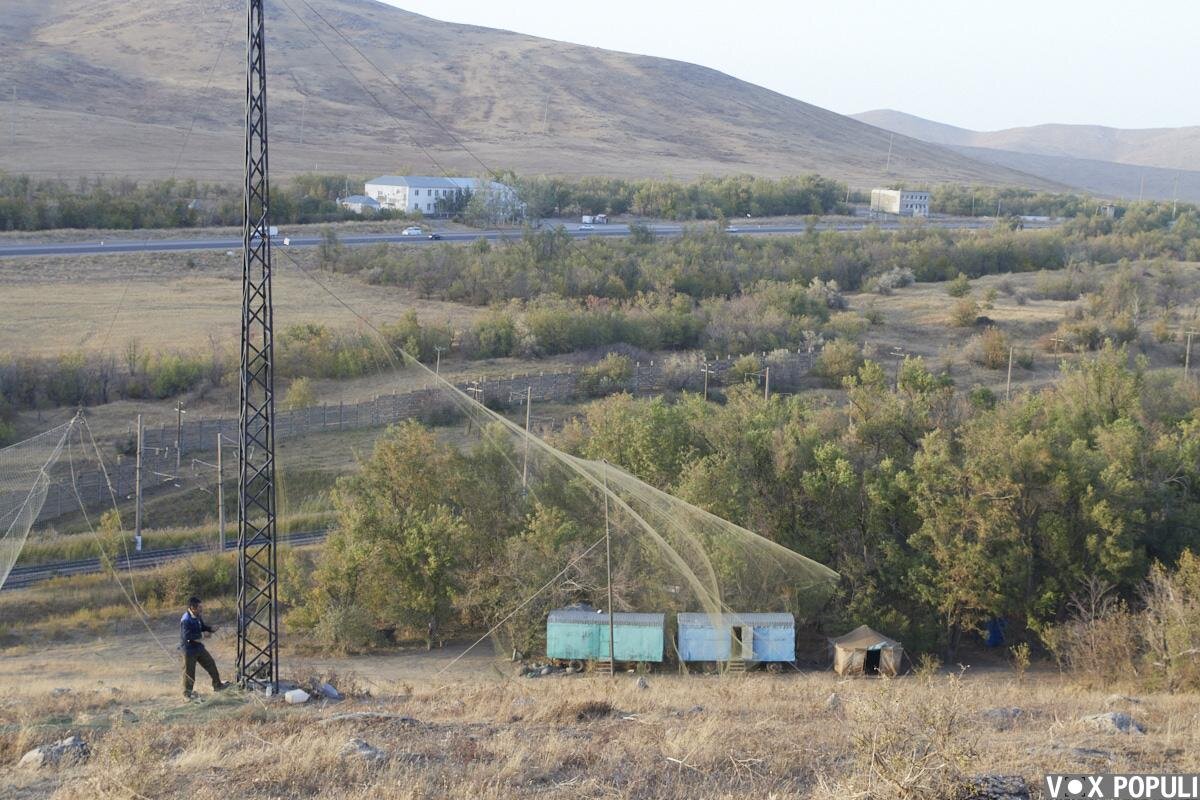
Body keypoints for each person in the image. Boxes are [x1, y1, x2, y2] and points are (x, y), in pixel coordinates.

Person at [180, 596, 230, 699]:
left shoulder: (197, 615)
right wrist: (203, 635)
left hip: (198, 647)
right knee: (189, 673)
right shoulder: (186, 620)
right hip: (189, 650)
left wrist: (211, 629)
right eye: (199, 607)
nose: (201, 609)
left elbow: (202, 627)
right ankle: (187, 695)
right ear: (192, 608)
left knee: (211, 664)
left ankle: (218, 685)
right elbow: (187, 636)